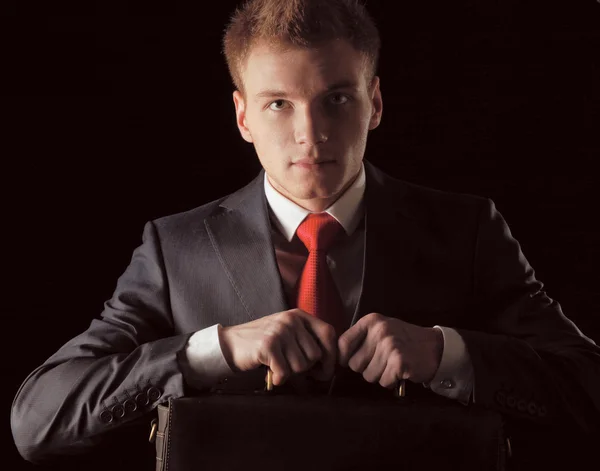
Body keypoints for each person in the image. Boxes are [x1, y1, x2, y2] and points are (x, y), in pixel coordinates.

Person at [11, 0, 600, 466]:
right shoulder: (176, 248)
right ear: (242, 116)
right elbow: (37, 421)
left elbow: (588, 390)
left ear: (374, 102)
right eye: (278, 105)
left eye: (336, 99)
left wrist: (448, 354)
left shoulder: (467, 230)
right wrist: (212, 351)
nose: (309, 133)